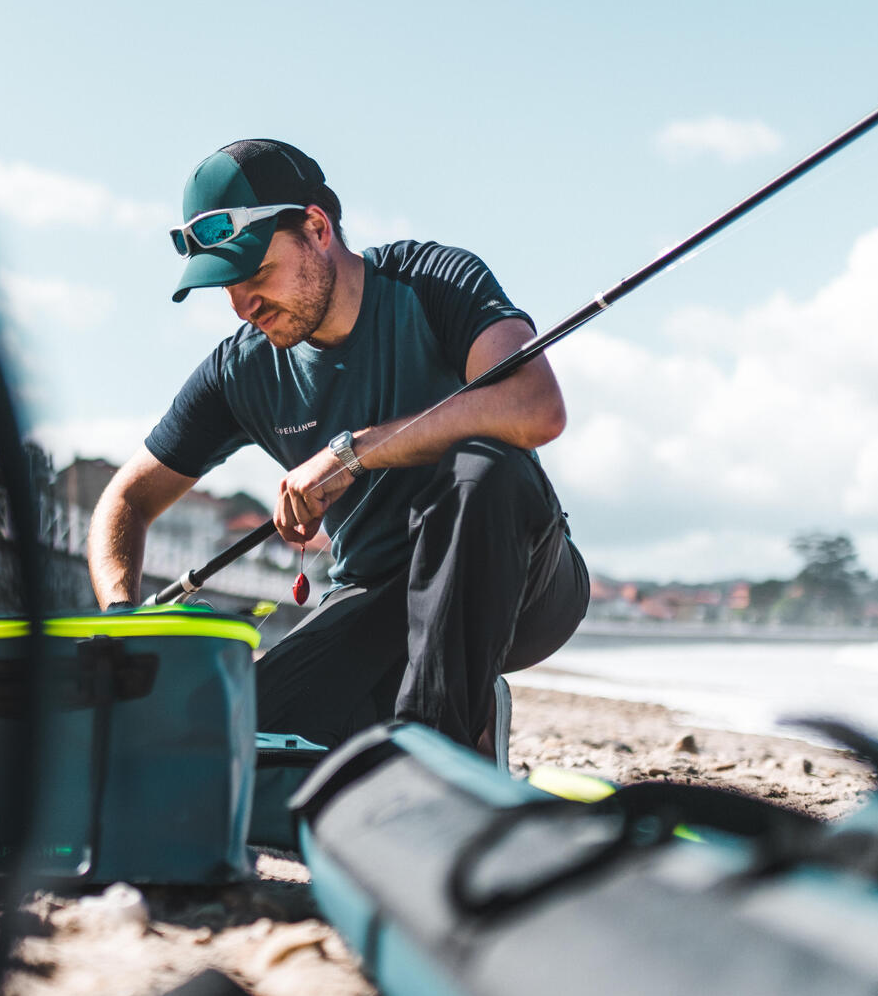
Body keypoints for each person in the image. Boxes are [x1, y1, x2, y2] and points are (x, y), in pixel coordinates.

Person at [87, 139, 590, 755]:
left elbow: (537, 407)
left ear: (317, 229)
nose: (244, 305)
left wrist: (352, 452)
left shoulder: (434, 281)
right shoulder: (240, 371)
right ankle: (428, 712)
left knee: (485, 467)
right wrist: (120, 618)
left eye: (255, 274)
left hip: (520, 583)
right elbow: (124, 502)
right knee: (245, 743)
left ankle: (437, 746)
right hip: (376, 599)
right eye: (226, 287)